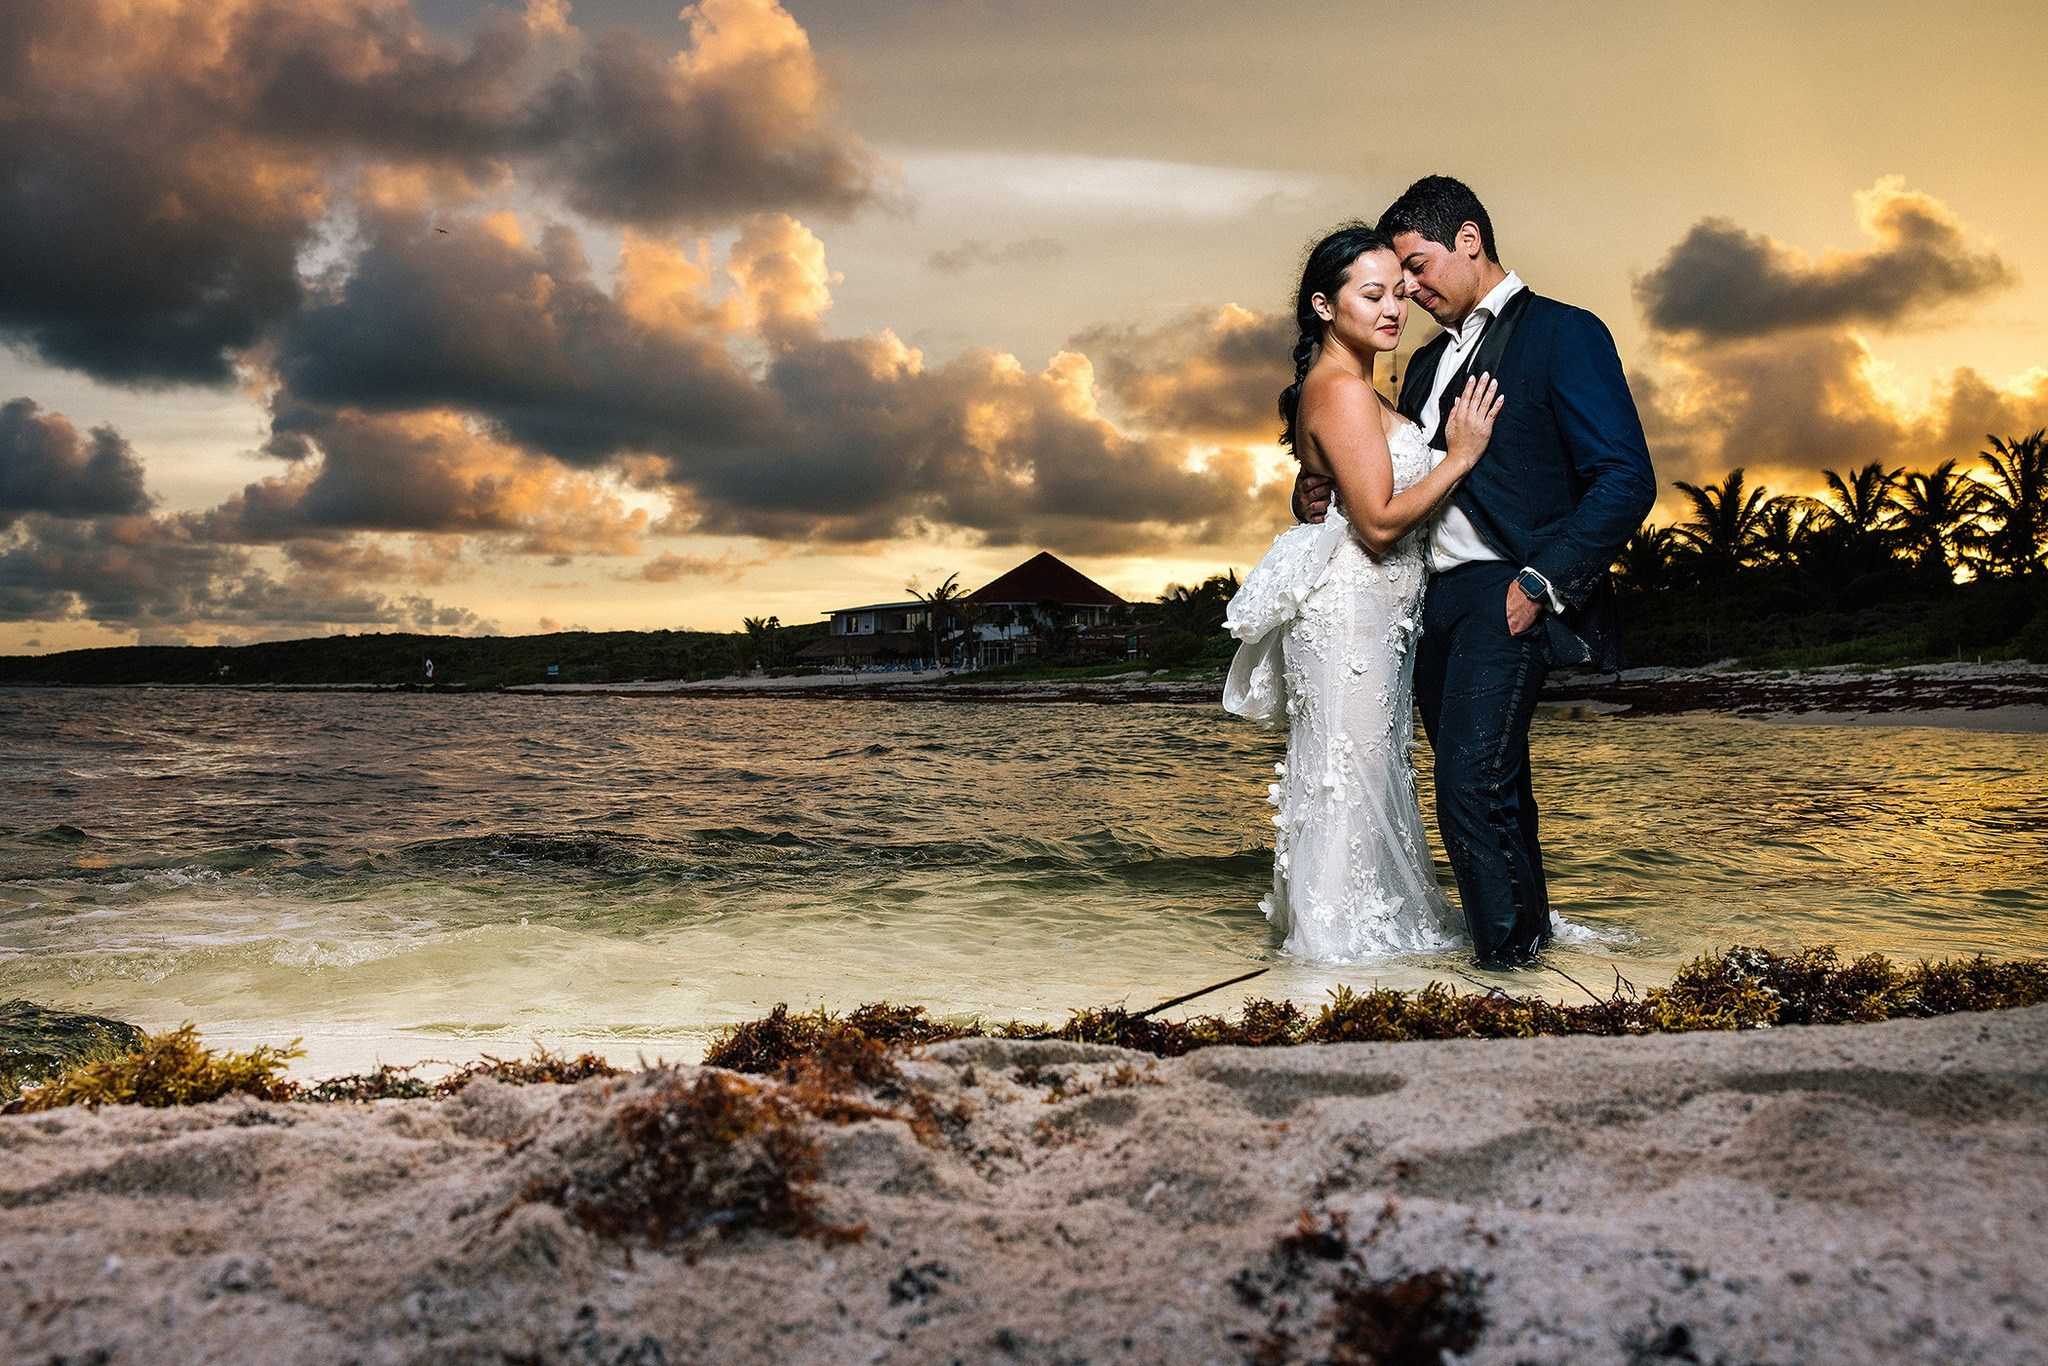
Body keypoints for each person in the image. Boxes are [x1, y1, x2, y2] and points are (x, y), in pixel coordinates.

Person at [1292, 177, 1656, 968]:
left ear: (1468, 240)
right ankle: (1532, 958)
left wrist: (1540, 584)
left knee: (1467, 785)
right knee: (1497, 787)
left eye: (1417, 268)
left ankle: (1502, 971)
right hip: (1428, 602)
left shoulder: (1563, 333)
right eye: (1396, 279)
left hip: (1506, 590)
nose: (1409, 290)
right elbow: (1392, 474)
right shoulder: (1422, 365)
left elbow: (1626, 479)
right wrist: (1319, 482)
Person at [1223, 223, 1504, 962]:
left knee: (1361, 773)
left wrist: (1312, 486)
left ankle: (1354, 941)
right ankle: (1333, 950)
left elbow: (1341, 485)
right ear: (1325, 305)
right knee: (1349, 777)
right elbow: (1377, 524)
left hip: (1375, 611)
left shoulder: (1346, 386)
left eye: (1400, 294)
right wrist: (1460, 457)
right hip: (1352, 609)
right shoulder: (1342, 389)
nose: (1394, 309)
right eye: (1372, 294)